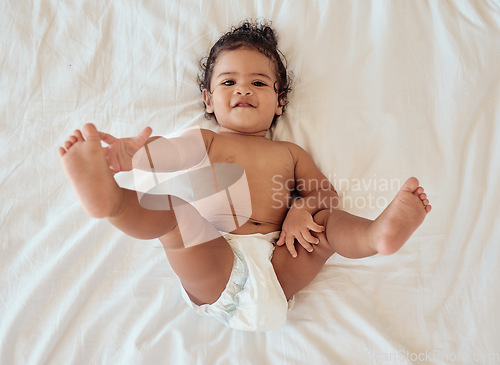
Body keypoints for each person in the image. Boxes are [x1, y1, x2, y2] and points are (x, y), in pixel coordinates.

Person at [58, 21, 431, 331]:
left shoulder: (291, 153)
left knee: (325, 223)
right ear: (208, 100)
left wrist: (302, 210)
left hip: (280, 260)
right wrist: (134, 154)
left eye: (258, 83)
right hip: (216, 260)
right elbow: (167, 153)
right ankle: (110, 200)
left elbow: (325, 194)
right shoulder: (206, 141)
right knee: (177, 214)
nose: (243, 89)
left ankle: (375, 235)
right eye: (228, 82)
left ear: (279, 101)